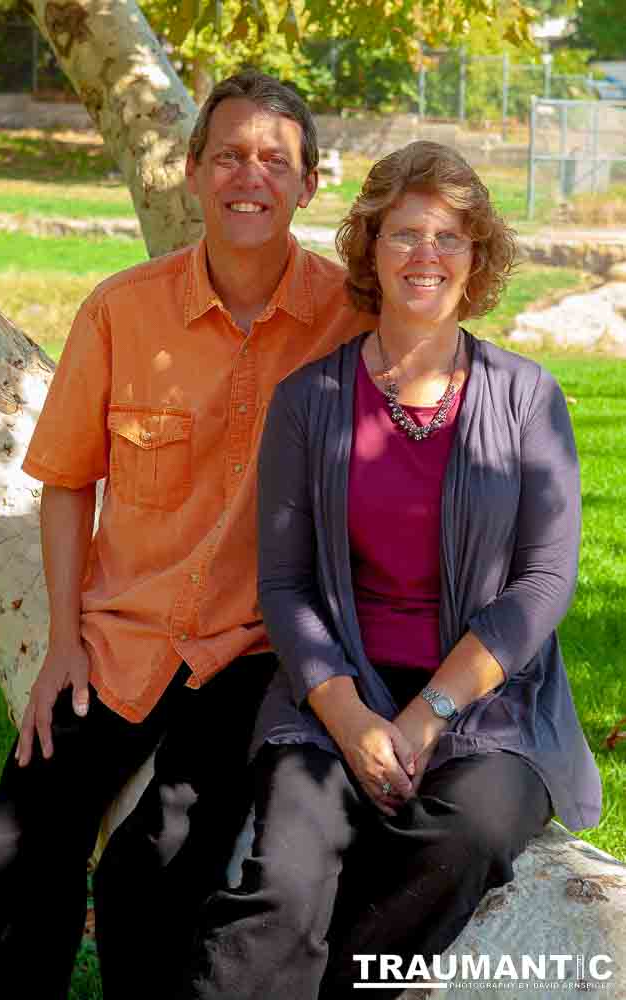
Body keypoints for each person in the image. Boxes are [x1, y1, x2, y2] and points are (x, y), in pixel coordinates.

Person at [0, 71, 372, 1000]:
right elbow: (68, 483)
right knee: (13, 849)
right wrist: (64, 640)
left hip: (256, 648)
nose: (250, 176)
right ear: (191, 172)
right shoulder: (120, 309)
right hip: (123, 636)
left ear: (309, 185)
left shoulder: (352, 320)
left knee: (154, 861)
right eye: (228, 154)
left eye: (276, 160)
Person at [182, 141, 602, 1000]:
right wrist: (346, 714)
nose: (426, 256)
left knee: (466, 835)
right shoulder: (311, 400)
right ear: (369, 248)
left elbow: (542, 585)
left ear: (475, 257)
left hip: (486, 699)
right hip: (336, 688)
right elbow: (288, 583)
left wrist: (422, 720)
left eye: (449, 238)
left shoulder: (526, 398)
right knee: (284, 878)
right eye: (404, 234)